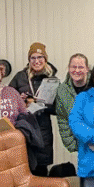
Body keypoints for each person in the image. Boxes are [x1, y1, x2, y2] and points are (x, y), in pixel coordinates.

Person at [9, 42, 58, 176]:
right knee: (23, 170)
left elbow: (58, 109)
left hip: (43, 131)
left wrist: (41, 104)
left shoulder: (52, 79)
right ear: (29, 60)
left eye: (40, 57)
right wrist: (21, 101)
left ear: (45, 59)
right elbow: (8, 101)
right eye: (33, 58)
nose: (37, 61)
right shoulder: (20, 77)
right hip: (24, 129)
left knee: (41, 171)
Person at [55, 53, 91, 154]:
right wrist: (71, 143)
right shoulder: (62, 90)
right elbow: (62, 119)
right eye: (74, 67)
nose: (77, 70)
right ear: (68, 68)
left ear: (87, 69)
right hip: (79, 144)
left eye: (81, 67)